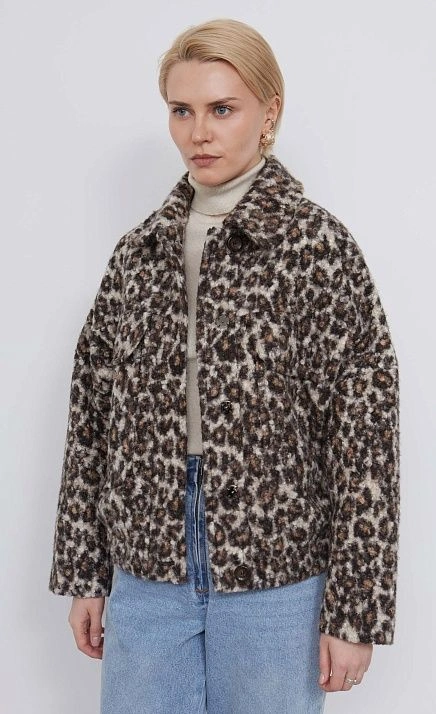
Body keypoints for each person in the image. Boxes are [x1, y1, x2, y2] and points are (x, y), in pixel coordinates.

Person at [48, 17, 400, 714]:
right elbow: (92, 414)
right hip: (146, 570)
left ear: (269, 114)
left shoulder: (317, 248)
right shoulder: (140, 252)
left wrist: (356, 610)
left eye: (222, 109)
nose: (198, 133)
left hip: (276, 578)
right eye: (181, 110)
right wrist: (85, 571)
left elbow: (365, 438)